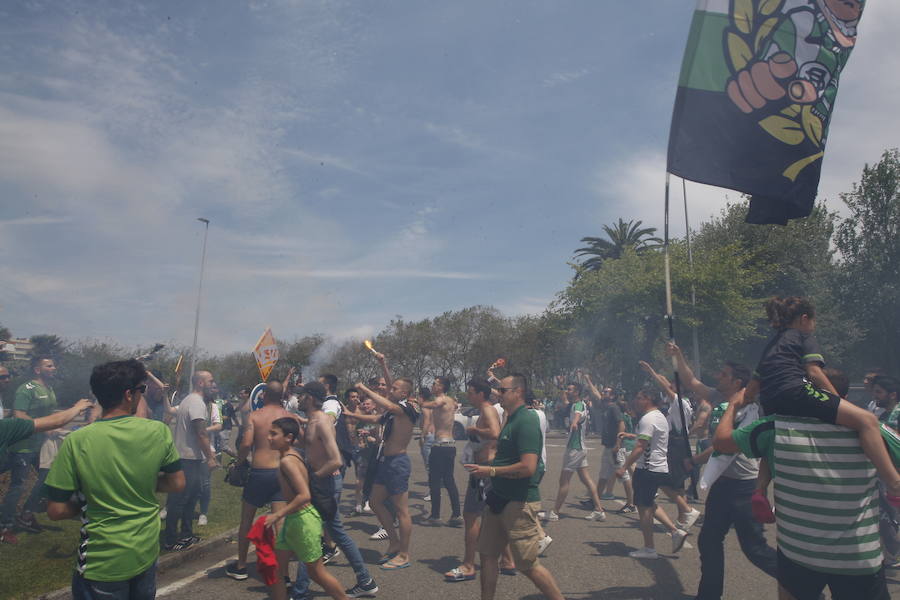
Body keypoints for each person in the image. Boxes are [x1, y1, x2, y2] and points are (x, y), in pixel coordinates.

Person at [714, 371, 900, 600]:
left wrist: (733, 405)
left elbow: (722, 442)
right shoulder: (870, 429)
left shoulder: (773, 427)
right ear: (844, 395)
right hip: (857, 557)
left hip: (798, 554)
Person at [45, 359, 185, 600]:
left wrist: (91, 497)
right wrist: (142, 482)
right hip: (145, 553)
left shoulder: (77, 441)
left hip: (102, 562)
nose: (142, 395)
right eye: (141, 390)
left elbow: (56, 510)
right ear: (129, 395)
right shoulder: (158, 432)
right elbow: (177, 483)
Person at [745, 297, 900, 500]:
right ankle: (895, 484)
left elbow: (751, 390)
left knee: (777, 433)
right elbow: (814, 372)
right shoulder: (803, 336)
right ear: (804, 319)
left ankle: (760, 489)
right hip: (795, 392)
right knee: (867, 420)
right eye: (814, 321)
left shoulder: (772, 345)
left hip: (770, 401)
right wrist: (839, 402)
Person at [667, 343, 777, 599]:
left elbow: (725, 446)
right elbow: (691, 381)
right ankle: (709, 594)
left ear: (738, 382)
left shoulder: (749, 410)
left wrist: (694, 460)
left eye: (724, 374)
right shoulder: (719, 398)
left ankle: (802, 587)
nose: (718, 376)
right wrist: (678, 355)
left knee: (755, 549)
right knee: (708, 540)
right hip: (723, 485)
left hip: (744, 488)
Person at [465, 373, 563, 600]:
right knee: (488, 555)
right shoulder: (510, 419)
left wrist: (490, 470)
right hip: (497, 499)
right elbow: (506, 457)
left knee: (527, 564)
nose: (498, 394)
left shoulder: (526, 420)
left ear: (517, 392)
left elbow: (528, 467)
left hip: (518, 502)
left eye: (503, 390)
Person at [290, 381, 378, 600]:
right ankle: (365, 580)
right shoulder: (312, 420)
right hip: (320, 483)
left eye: (301, 396)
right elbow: (310, 447)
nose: (298, 399)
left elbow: (335, 460)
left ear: (310, 397)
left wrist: (313, 478)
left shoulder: (321, 421)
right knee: (333, 533)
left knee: (310, 537)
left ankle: (300, 593)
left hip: (323, 484)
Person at [265, 417, 349, 600]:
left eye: (273, 434)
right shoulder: (293, 455)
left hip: (303, 521)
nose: (269, 437)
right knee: (277, 570)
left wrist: (277, 515)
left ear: (288, 437)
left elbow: (304, 495)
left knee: (316, 573)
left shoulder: (288, 461)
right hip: (294, 522)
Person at [346, 377, 418, 570]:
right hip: (384, 462)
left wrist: (364, 388)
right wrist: (350, 413)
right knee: (375, 502)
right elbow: (376, 418)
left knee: (402, 510)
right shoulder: (392, 412)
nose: (390, 390)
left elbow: (389, 406)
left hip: (397, 463)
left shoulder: (408, 407)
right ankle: (394, 542)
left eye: (394, 388)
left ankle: (404, 554)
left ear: (404, 393)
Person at [444, 378, 512, 581]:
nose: (468, 395)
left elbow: (495, 433)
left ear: (481, 394)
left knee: (470, 516)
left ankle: (468, 565)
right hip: (487, 471)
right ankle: (508, 560)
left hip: (484, 472)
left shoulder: (488, 409)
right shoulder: (485, 409)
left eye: (471, 392)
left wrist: (474, 430)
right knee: (494, 516)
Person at [226, 381, 293, 580]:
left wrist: (238, 463)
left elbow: (246, 444)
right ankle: (284, 573)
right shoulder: (289, 417)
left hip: (260, 471)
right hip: (281, 471)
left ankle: (241, 565)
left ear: (263, 396)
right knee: (280, 522)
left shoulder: (254, 416)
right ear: (282, 396)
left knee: (246, 519)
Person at [617, 388, 689, 559]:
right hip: (657, 467)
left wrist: (625, 466)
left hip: (648, 469)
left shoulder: (648, 418)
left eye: (640, 397)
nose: (636, 400)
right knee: (649, 503)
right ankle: (674, 530)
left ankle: (649, 549)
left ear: (648, 399)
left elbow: (641, 446)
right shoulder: (659, 416)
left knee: (644, 509)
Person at [1, 356, 60, 535]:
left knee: (49, 478)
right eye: (49, 365)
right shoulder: (26, 389)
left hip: (40, 444)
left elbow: (49, 414)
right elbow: (19, 415)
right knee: (19, 484)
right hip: (23, 446)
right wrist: (45, 429)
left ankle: (26, 514)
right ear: (37, 370)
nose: (53, 368)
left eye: (53, 365)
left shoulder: (49, 389)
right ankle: (6, 525)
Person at [163, 370, 219, 551]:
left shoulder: (189, 400)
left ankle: (186, 535)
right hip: (187, 459)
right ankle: (170, 540)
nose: (213, 384)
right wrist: (210, 457)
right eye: (210, 381)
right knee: (178, 501)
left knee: (190, 499)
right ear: (200, 383)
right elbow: (201, 433)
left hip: (190, 458)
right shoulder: (196, 403)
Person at [547, 382, 605, 521]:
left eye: (570, 389)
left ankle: (555, 512)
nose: (567, 391)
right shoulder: (576, 404)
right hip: (580, 447)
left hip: (575, 448)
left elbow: (577, 415)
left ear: (577, 392)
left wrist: (574, 423)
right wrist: (562, 391)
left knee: (564, 480)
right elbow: (568, 403)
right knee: (586, 479)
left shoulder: (579, 405)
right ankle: (599, 510)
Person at [419, 376, 462, 525]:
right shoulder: (451, 401)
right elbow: (454, 405)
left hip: (440, 445)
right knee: (449, 480)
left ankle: (436, 515)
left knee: (435, 481)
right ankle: (456, 514)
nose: (432, 386)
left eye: (434, 384)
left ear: (442, 387)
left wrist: (422, 403)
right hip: (450, 445)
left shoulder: (442, 399)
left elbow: (437, 403)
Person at [585, 375, 631, 506]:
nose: (603, 393)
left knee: (624, 475)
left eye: (606, 392)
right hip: (608, 447)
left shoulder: (613, 407)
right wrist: (588, 380)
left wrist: (618, 443)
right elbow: (595, 392)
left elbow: (621, 424)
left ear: (612, 396)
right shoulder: (605, 405)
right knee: (603, 475)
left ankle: (631, 504)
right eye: (603, 391)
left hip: (615, 447)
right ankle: (595, 501)